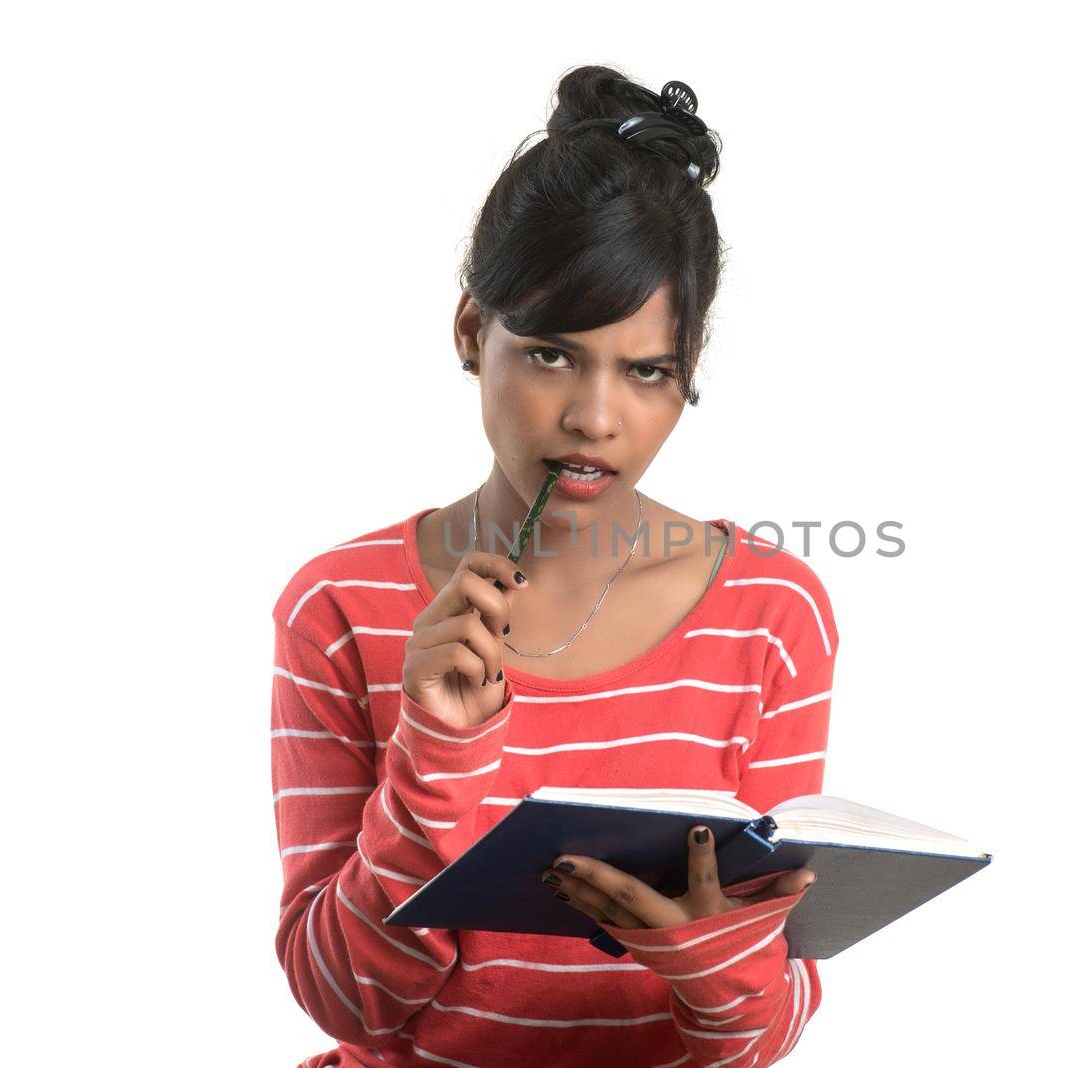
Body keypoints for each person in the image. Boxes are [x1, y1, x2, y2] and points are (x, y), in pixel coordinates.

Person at [270, 65, 838, 1068]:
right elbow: (343, 1004)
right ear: (469, 332)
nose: (594, 417)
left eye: (646, 369)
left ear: (688, 368)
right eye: (548, 354)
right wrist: (437, 759)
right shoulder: (340, 605)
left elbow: (762, 1030)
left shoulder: (772, 614)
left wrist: (714, 966)